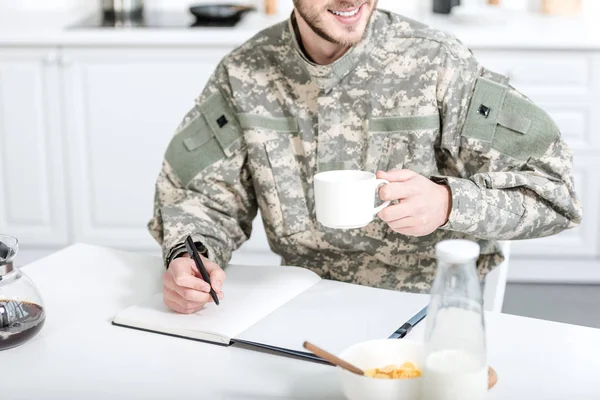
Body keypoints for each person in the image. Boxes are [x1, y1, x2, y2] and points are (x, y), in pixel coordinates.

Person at [148, 0, 582, 314]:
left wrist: (448, 203)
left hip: (429, 309)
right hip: (301, 305)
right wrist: (191, 259)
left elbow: (555, 190)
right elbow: (200, 197)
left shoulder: (438, 63)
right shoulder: (243, 73)